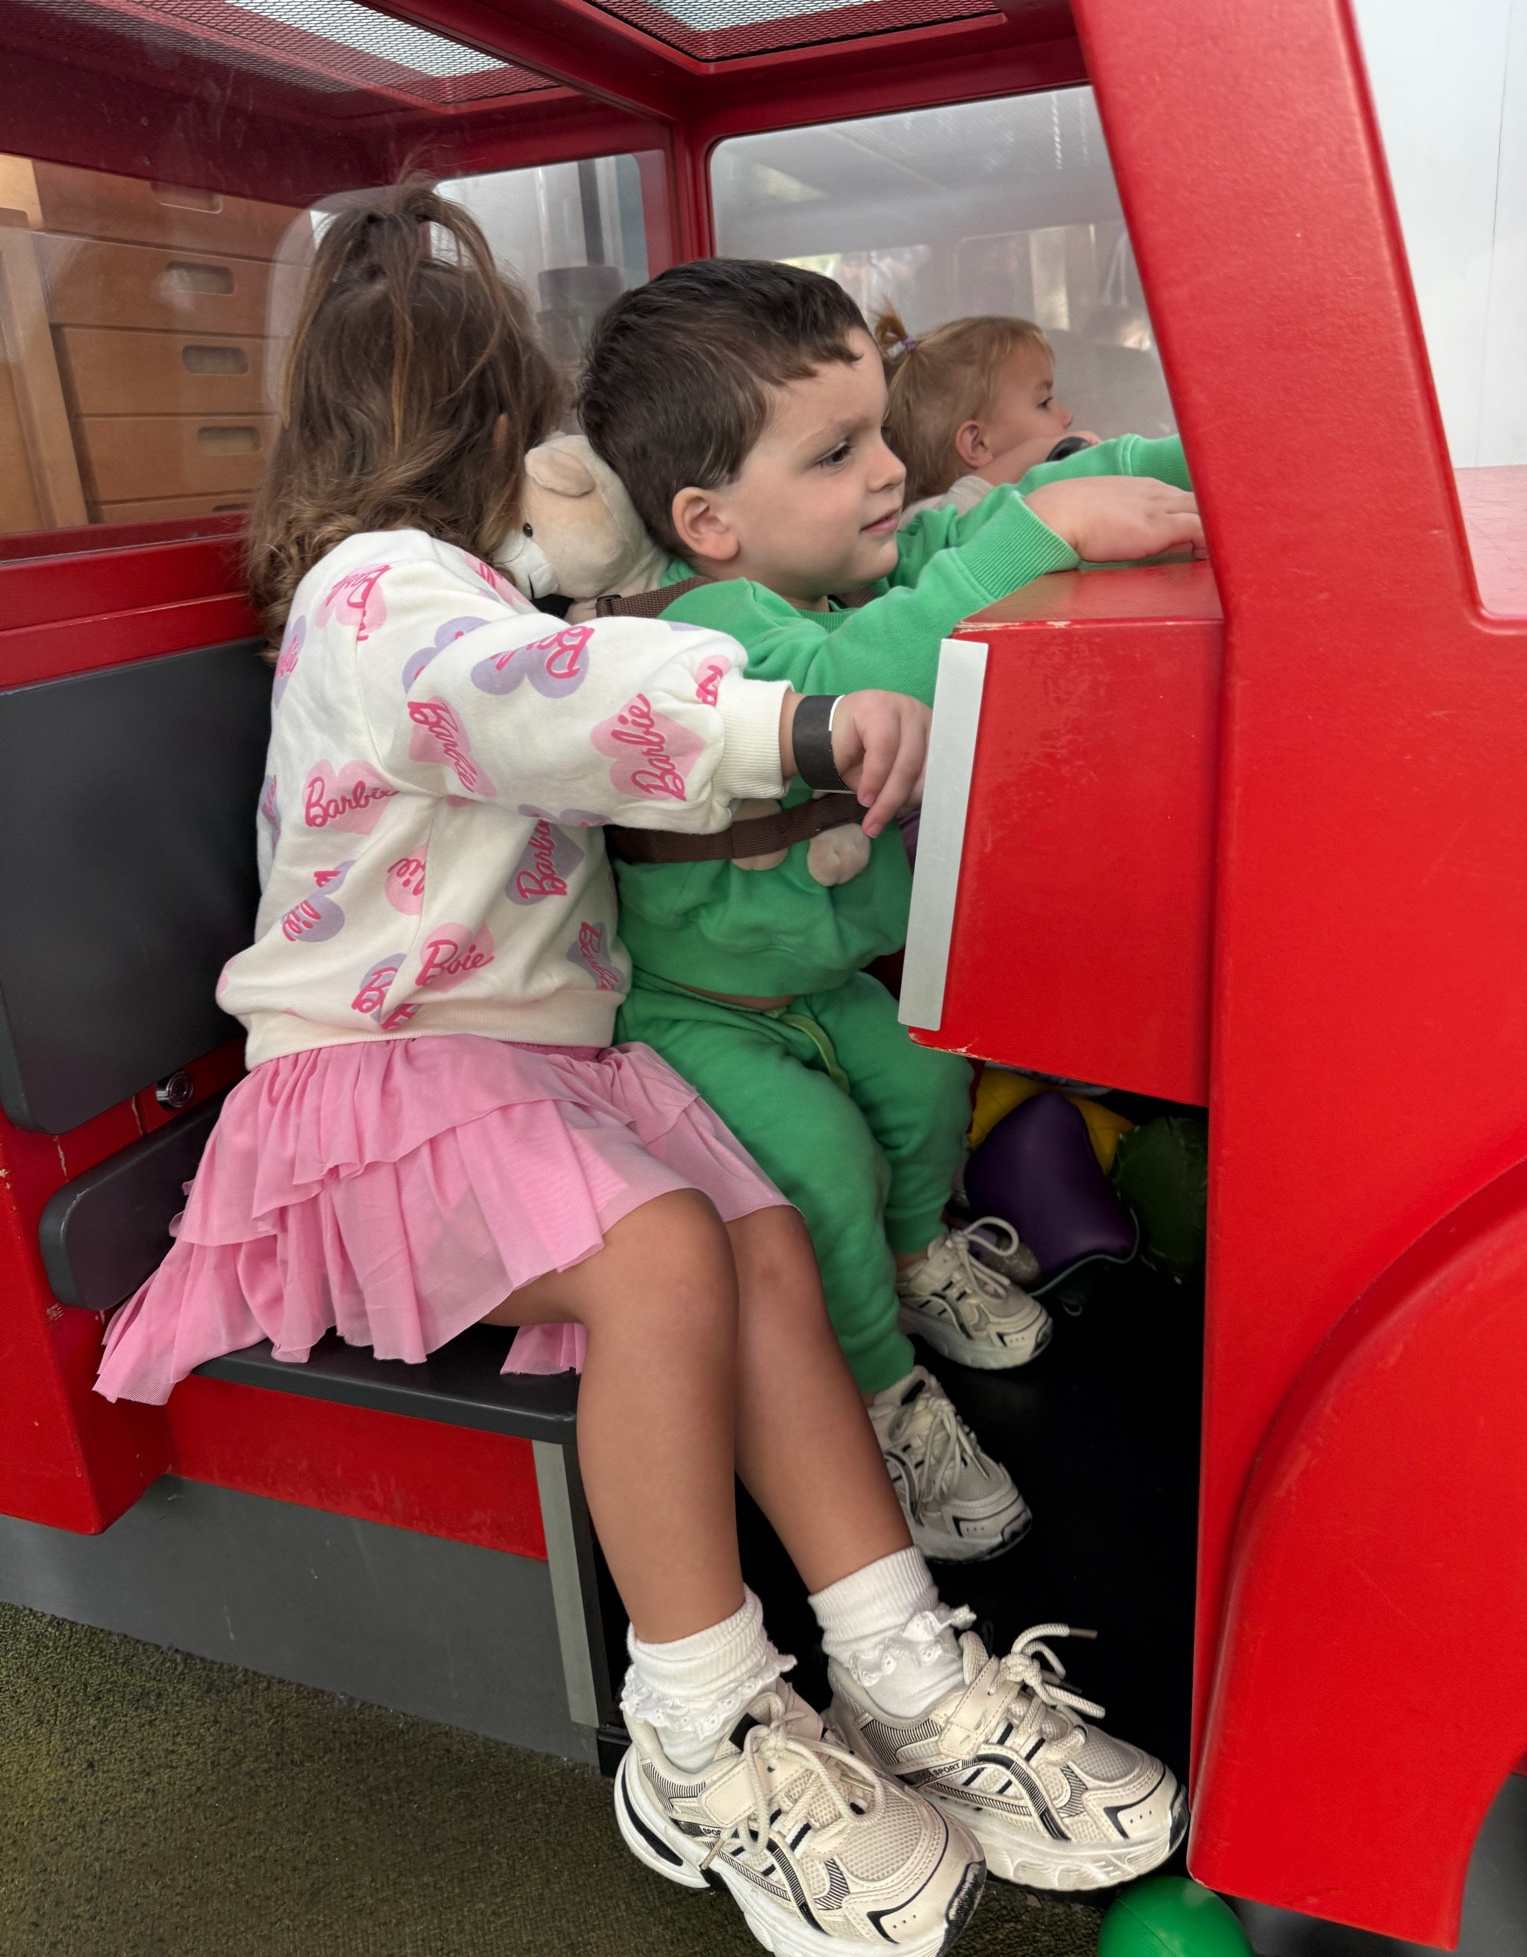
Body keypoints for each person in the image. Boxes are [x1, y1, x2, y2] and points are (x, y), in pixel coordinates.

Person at [91, 192, 1186, 1947]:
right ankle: (701, 1725)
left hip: (539, 1076)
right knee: (670, 1250)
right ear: (502, 446)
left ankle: (905, 1662)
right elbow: (540, 695)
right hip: (382, 1084)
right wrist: (786, 725)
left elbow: (610, 629)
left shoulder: (483, 583)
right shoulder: (383, 597)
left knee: (761, 1240)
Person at [578, 259, 1201, 1565]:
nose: (885, 473)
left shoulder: (839, 565)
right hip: (701, 1015)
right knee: (822, 1168)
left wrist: (1176, 466)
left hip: (822, 986)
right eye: (837, 452)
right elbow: (849, 671)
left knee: (926, 1091)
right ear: (708, 522)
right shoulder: (699, 635)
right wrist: (1048, 536)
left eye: (878, 435)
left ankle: (919, 1260)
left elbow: (989, 518)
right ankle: (875, 1394)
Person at [873, 307, 1095, 522]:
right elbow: (961, 502)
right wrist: (1045, 449)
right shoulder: (925, 523)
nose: (1068, 416)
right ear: (978, 444)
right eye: (1044, 403)